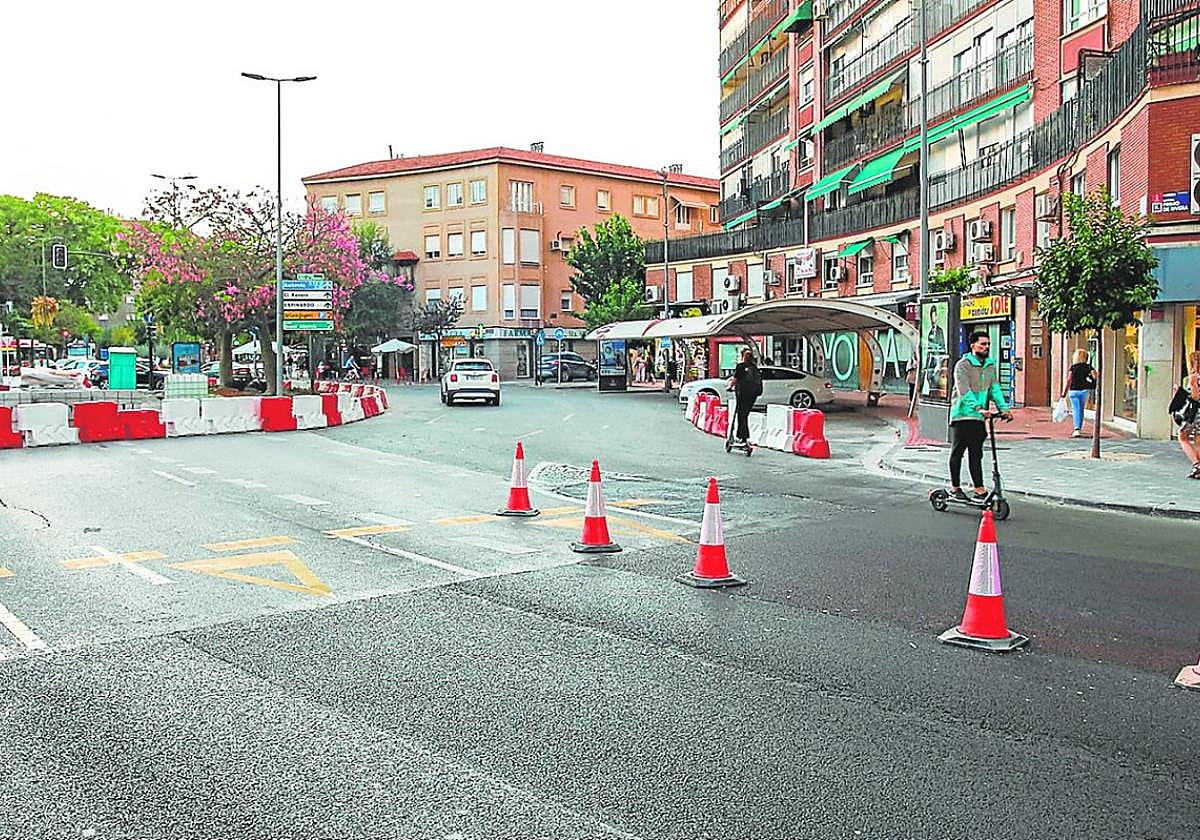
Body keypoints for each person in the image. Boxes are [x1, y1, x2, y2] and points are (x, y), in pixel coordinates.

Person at [949, 331, 1012, 501]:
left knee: (976, 453)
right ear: (973, 346)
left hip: (979, 417)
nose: (986, 347)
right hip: (962, 415)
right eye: (983, 344)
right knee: (958, 452)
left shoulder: (990, 366)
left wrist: (1004, 408)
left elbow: (995, 389)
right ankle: (955, 487)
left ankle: (979, 488)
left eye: (988, 344)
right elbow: (963, 390)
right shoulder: (963, 365)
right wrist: (978, 407)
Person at [728, 348, 763, 445]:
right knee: (745, 414)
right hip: (752, 395)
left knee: (741, 415)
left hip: (742, 394)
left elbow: (735, 379)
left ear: (743, 357)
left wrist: (730, 387)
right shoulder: (754, 367)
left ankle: (742, 436)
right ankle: (743, 436)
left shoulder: (740, 366)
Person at [1061, 349, 1097, 438]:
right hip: (1084, 391)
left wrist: (1064, 392)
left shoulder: (1073, 367)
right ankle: (1079, 427)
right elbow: (1096, 376)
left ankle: (1077, 429)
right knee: (1081, 409)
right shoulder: (1088, 367)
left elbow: (1069, 380)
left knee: (1076, 409)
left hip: (1074, 391)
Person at [1176, 349, 1200, 479]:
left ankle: (1197, 464)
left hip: (1195, 412)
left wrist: (1191, 384)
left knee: (1182, 436)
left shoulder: (1195, 377)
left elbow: (1195, 397)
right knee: (1198, 438)